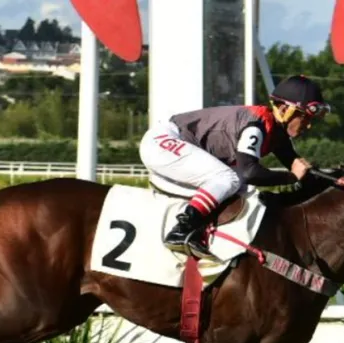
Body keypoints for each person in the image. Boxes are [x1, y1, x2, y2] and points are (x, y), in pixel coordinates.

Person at [138, 74, 331, 258]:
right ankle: (182, 231)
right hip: (163, 140)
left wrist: (329, 181)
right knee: (228, 178)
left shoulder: (276, 131)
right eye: (305, 117)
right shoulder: (256, 125)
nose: (308, 125)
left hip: (175, 142)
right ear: (284, 110)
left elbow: (294, 163)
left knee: (240, 187)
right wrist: (291, 177)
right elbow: (250, 172)